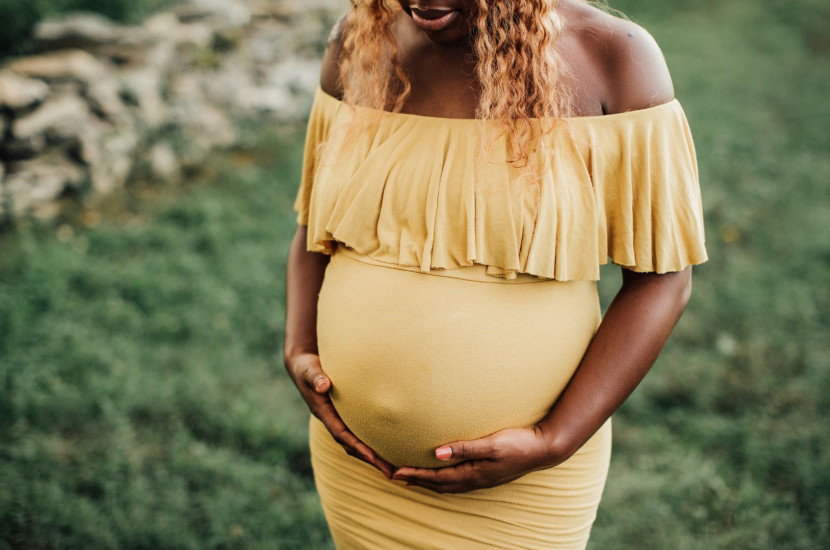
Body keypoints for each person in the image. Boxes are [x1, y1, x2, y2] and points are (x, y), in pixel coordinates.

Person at [284, 0, 708, 547]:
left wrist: (553, 440)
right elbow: (313, 227)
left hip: (524, 486)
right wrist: (297, 347)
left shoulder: (613, 55)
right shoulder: (361, 43)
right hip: (358, 472)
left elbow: (662, 279)